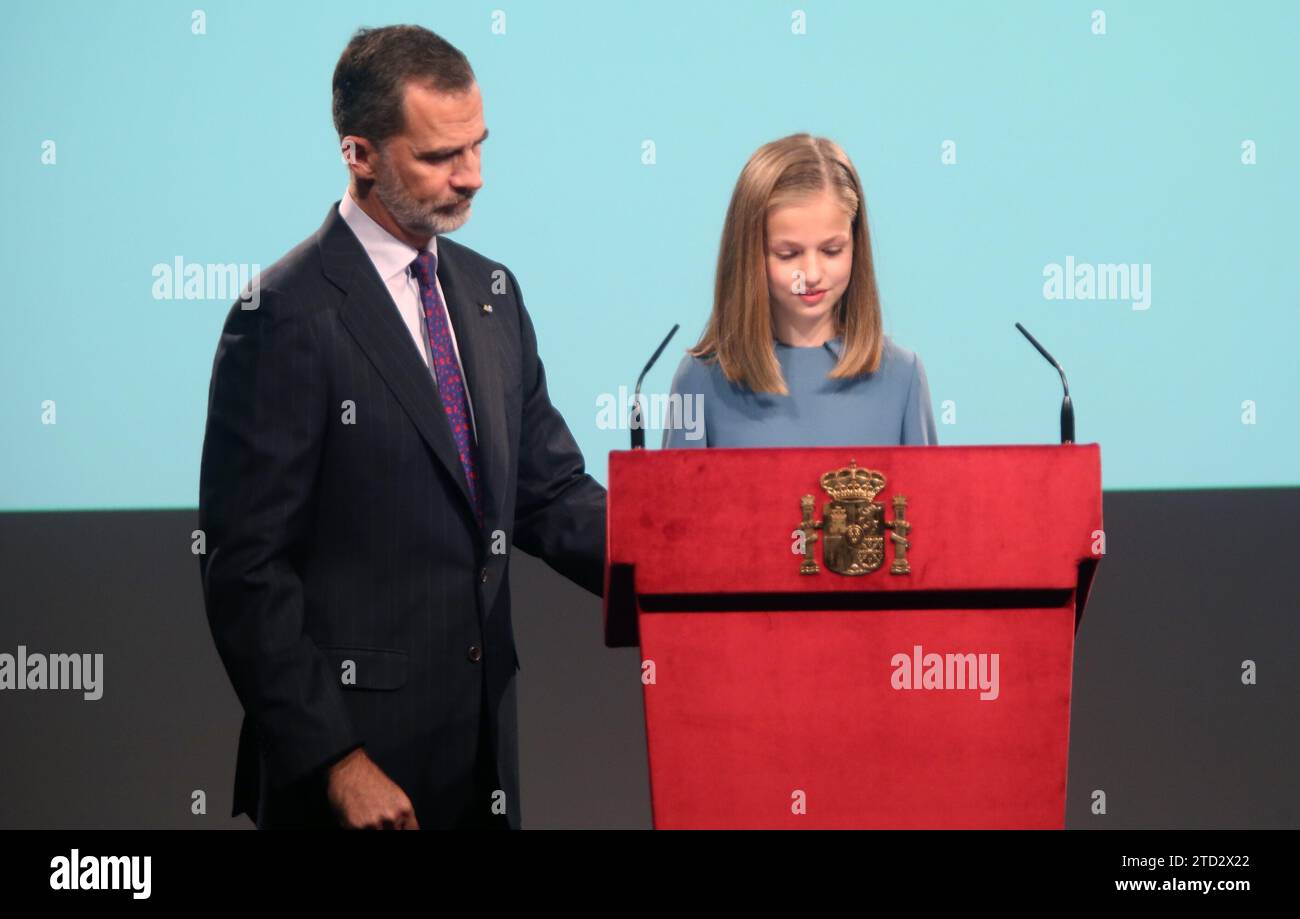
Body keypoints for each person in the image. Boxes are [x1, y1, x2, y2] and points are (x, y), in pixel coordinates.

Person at [197, 25, 605, 830]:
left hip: (479, 762)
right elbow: (246, 572)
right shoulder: (282, 315)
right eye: (440, 157)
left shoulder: (492, 292)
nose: (473, 177)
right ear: (359, 153)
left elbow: (548, 492)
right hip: (355, 779)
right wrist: (336, 762)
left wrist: (685, 564)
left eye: (479, 146)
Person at [662, 134, 938, 449]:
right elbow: (677, 499)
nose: (811, 274)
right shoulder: (699, 380)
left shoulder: (903, 377)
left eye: (832, 250)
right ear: (749, 256)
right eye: (788, 254)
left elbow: (928, 498)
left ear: (855, 246)